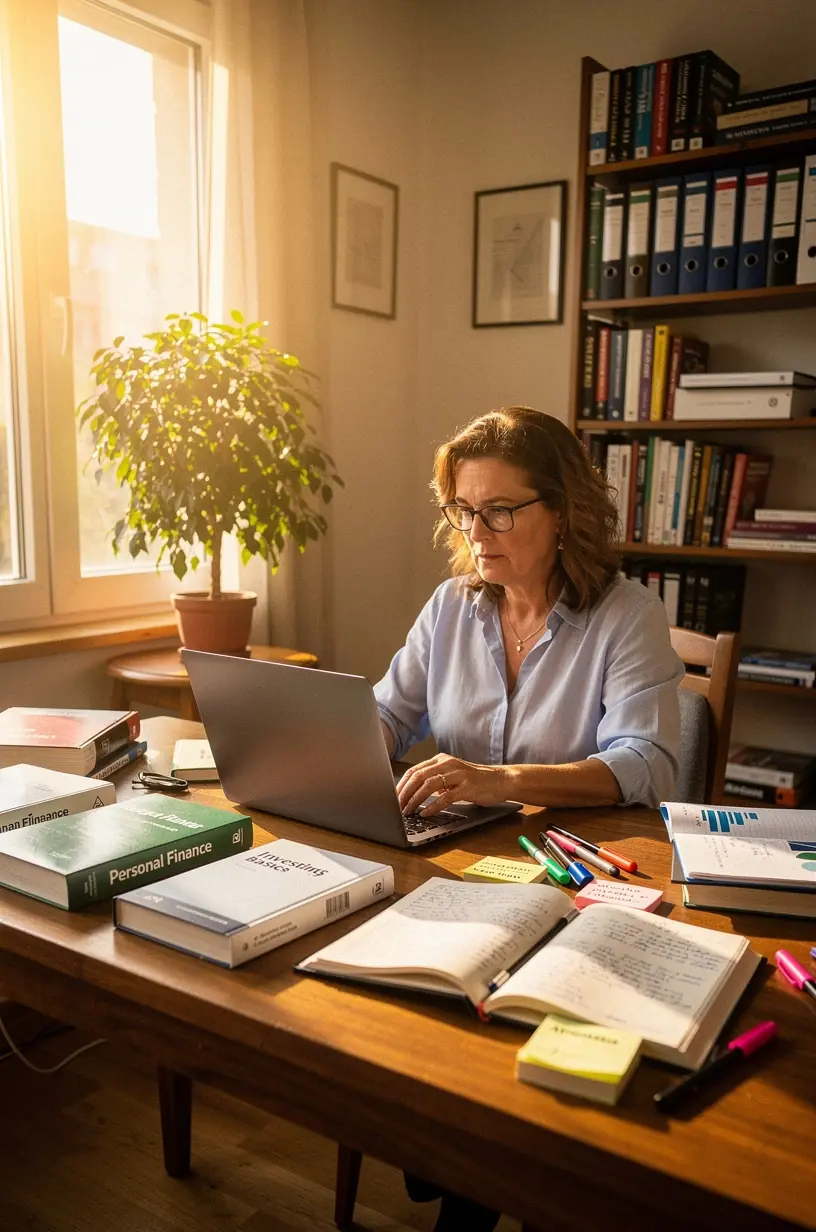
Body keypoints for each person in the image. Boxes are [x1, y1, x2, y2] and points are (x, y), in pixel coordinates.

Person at [373, 406, 684, 1232]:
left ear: (565, 512)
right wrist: (342, 741)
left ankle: (469, 1175)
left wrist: (495, 778)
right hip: (456, 870)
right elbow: (388, 715)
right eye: (464, 511)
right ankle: (448, 1149)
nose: (478, 531)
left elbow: (645, 763)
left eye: (501, 510)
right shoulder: (450, 608)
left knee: (491, 1007)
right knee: (379, 979)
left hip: (574, 880)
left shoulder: (627, 615)